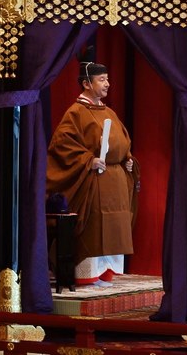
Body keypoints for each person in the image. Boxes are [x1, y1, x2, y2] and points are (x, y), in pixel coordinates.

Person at [47, 60, 139, 287]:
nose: (108, 84)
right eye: (102, 80)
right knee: (95, 227)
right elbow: (62, 144)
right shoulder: (76, 112)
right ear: (86, 83)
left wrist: (129, 160)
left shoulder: (108, 111)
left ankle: (107, 271)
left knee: (115, 227)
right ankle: (87, 274)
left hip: (116, 178)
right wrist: (88, 160)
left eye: (108, 79)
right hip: (95, 180)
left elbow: (122, 142)